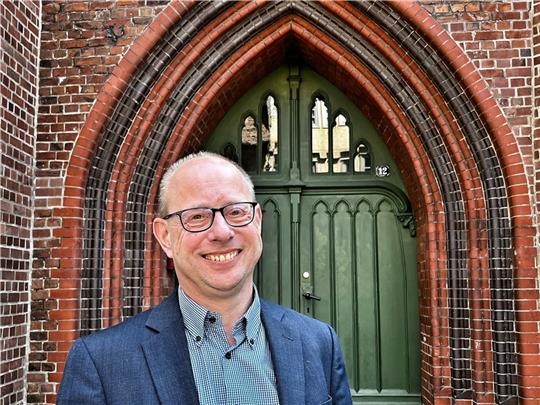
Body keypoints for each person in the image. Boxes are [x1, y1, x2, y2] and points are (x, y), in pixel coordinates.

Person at [57, 152, 352, 404]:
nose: (222, 232)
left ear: (258, 221)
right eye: (197, 216)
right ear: (165, 236)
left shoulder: (318, 342)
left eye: (236, 211)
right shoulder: (101, 363)